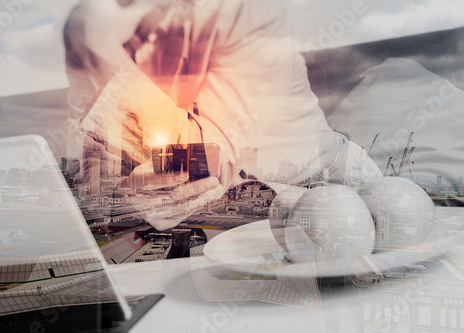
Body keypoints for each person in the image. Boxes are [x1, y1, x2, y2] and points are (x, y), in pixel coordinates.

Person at [63, 0, 382, 230]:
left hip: (331, 190)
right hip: (255, 214)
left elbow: (209, 160)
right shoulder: (148, 36)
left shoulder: (250, 16)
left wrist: (103, 54)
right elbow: (102, 169)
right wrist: (125, 189)